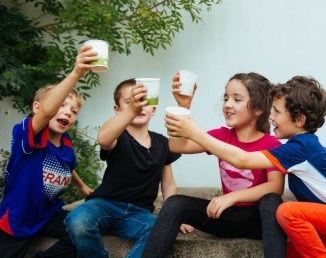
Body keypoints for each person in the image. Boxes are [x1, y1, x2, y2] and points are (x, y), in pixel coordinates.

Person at [164, 75, 326, 257]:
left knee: (287, 212)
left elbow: (243, 160)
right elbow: (177, 145)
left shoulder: (301, 147)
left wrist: (195, 132)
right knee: (290, 252)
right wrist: (184, 112)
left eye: (276, 111)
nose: (271, 116)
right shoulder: (296, 147)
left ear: (300, 120)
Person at [142, 72, 287, 258]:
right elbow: (176, 145)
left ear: (258, 108)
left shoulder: (271, 144)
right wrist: (183, 107)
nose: (227, 104)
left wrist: (231, 197)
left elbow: (276, 187)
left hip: (258, 221)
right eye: (226, 98)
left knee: (271, 201)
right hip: (225, 218)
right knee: (174, 203)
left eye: (237, 99)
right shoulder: (221, 136)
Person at [64, 78, 189, 258]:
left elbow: (168, 184)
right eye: (130, 102)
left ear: (153, 109)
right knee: (77, 221)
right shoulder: (117, 136)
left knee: (164, 228)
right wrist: (131, 111)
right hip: (103, 205)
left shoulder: (162, 142)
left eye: (143, 102)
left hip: (139, 213)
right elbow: (104, 138)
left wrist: (174, 215)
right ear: (118, 110)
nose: (138, 106)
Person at [0, 45, 97, 258]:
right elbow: (46, 112)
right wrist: (75, 74)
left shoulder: (66, 143)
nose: (67, 113)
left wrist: (82, 186)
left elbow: (66, 166)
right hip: (19, 218)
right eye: (61, 105)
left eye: (73, 111)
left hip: (48, 214)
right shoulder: (28, 135)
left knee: (83, 233)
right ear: (38, 107)